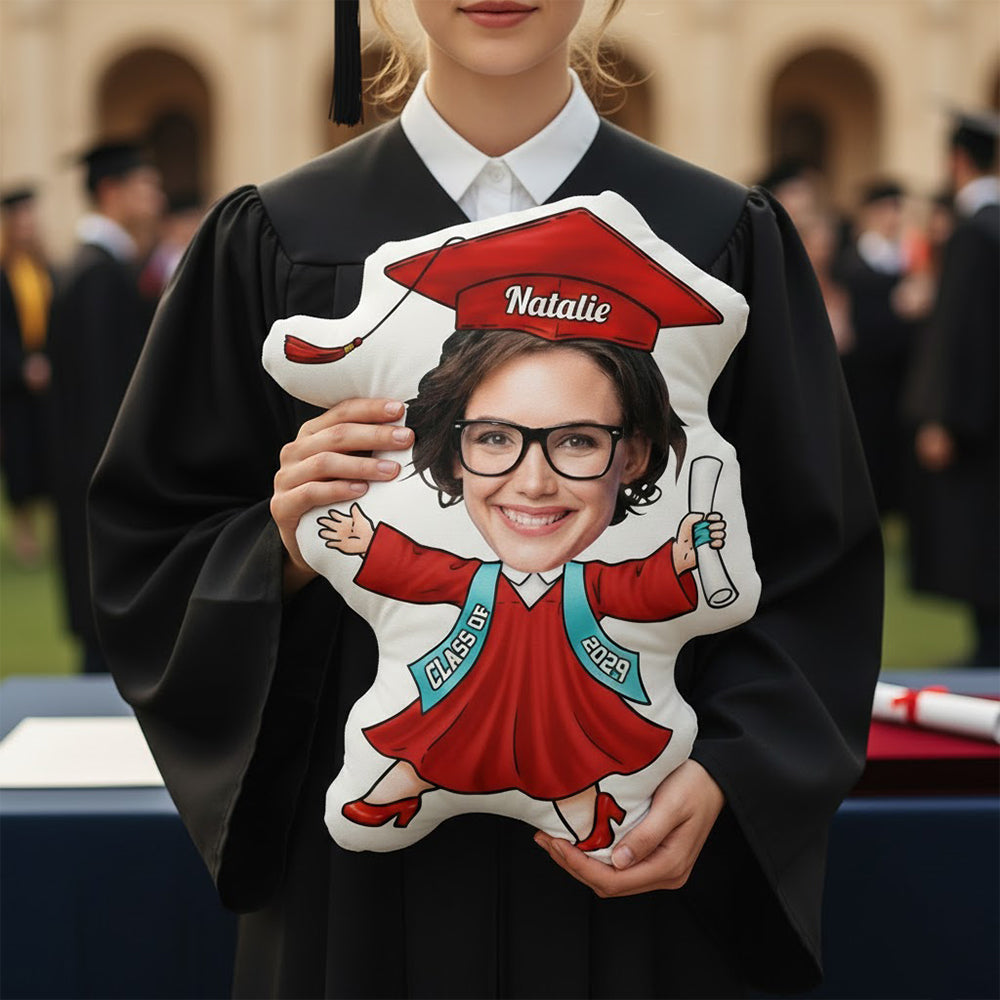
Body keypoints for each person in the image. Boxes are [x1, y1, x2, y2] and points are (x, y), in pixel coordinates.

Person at [88, 2, 882, 996]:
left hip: (645, 896)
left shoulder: (719, 235)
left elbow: (816, 561)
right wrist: (284, 545)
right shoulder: (277, 237)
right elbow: (151, 547)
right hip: (360, 908)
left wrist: (733, 770)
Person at [316, 325, 726, 849]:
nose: (534, 484)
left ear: (633, 458)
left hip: (560, 701)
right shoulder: (479, 580)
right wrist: (369, 543)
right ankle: (390, 794)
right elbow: (421, 570)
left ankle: (594, 822)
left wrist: (681, 558)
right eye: (494, 438)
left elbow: (638, 588)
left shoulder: (585, 586)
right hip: (477, 695)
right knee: (436, 741)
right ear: (455, 454)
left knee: (566, 761)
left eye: (578, 441)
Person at [48, 139, 163, 673]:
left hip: (92, 473)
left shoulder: (102, 267)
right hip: (99, 476)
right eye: (145, 184)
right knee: (107, 635)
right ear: (111, 191)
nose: (156, 195)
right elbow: (103, 396)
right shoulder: (98, 275)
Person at [904, 111, 999, 667]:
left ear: (957, 160)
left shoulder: (972, 233)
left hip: (977, 418)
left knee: (978, 532)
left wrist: (939, 414)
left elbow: (959, 330)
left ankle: (989, 648)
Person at [838, 180, 920, 515]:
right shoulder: (853, 263)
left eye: (897, 208)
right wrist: (899, 309)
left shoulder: (907, 259)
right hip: (867, 378)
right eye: (885, 208)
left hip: (902, 376)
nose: (892, 217)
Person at [0, 186, 53, 567]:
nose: (27, 225)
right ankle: (23, 532)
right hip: (14, 381)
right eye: (20, 219)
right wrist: (21, 366)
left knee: (46, 451)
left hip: (47, 374)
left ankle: (49, 530)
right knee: (19, 454)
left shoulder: (43, 267)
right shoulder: (3, 272)